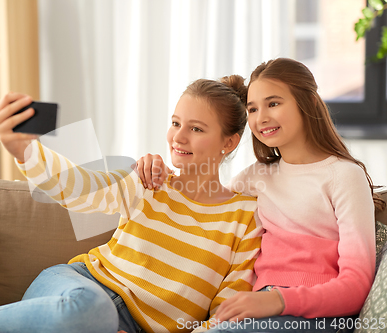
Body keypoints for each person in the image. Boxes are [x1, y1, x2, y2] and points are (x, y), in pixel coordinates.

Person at [0, 75, 264, 333]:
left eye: (196, 128)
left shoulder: (244, 216)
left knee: (94, 320)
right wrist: (25, 149)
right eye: (175, 122)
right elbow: (78, 189)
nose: (177, 137)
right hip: (75, 287)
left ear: (229, 143)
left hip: (112, 325)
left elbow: (227, 309)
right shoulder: (151, 181)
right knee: (91, 309)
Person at [134, 57, 385, 333]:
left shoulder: (344, 176)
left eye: (273, 103)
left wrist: (276, 300)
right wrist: (156, 169)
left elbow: (356, 284)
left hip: (319, 316)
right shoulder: (256, 177)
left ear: (309, 102)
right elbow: (201, 206)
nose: (261, 118)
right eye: (252, 109)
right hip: (258, 310)